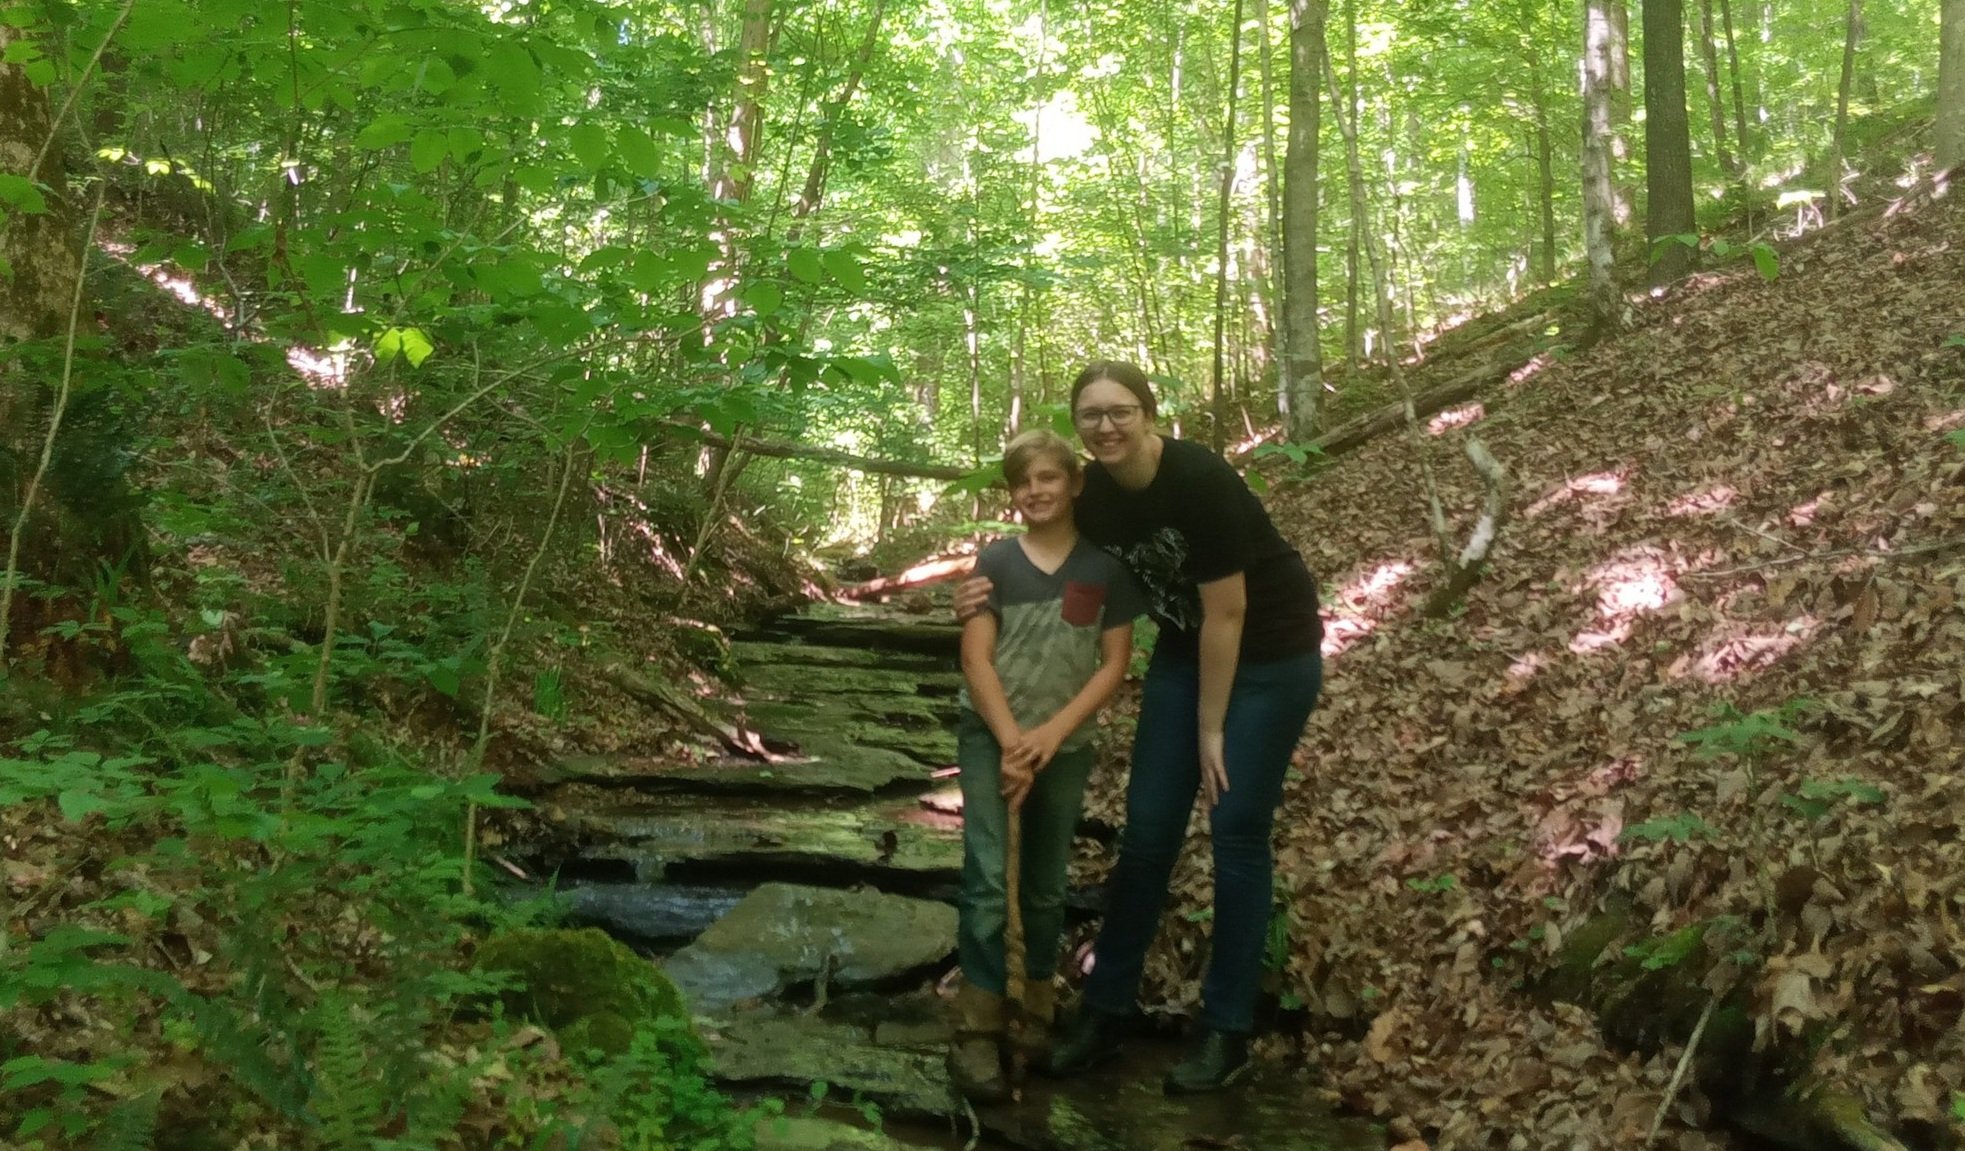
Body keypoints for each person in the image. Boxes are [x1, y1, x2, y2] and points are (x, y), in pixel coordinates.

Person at [955, 362, 1324, 1095]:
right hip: (1186, 656)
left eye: (1120, 410)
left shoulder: (1199, 479)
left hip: (1269, 657)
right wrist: (978, 590)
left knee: (1236, 828)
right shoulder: (1096, 501)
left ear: (1149, 413)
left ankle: (1226, 1029)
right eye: (1089, 415)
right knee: (1148, 829)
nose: (1105, 426)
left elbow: (1228, 612)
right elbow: (1052, 549)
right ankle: (1104, 1010)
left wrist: (1210, 729)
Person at [947, 427, 1146, 1104]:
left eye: (1047, 478)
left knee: (1043, 883)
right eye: (1022, 482)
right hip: (989, 736)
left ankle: (1033, 1007)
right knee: (984, 874)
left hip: (1062, 743)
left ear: (1074, 484)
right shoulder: (995, 562)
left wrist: (1049, 736)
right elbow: (976, 658)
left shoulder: (1103, 569)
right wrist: (1009, 741)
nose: (1035, 491)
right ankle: (977, 1023)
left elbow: (1113, 661)